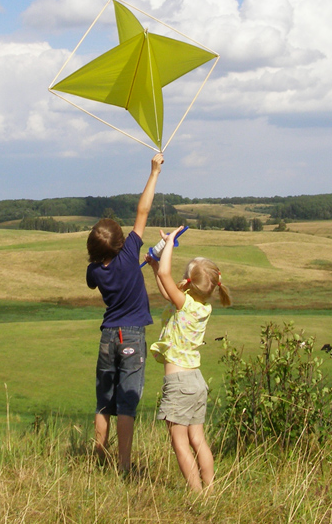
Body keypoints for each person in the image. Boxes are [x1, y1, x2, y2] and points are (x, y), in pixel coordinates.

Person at [86, 152, 164, 473]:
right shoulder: (131, 252)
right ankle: (124, 466)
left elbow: (103, 271)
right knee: (127, 405)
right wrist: (154, 171)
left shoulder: (94, 271)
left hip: (108, 337)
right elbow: (142, 209)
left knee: (104, 402)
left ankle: (98, 457)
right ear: (122, 243)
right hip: (131, 335)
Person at [144, 230, 231, 492]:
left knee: (179, 441)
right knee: (198, 439)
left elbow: (166, 279)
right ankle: (211, 487)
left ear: (188, 281)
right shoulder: (201, 307)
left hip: (179, 382)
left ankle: (196, 492)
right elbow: (166, 287)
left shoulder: (185, 305)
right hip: (196, 381)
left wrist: (168, 244)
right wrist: (155, 265)